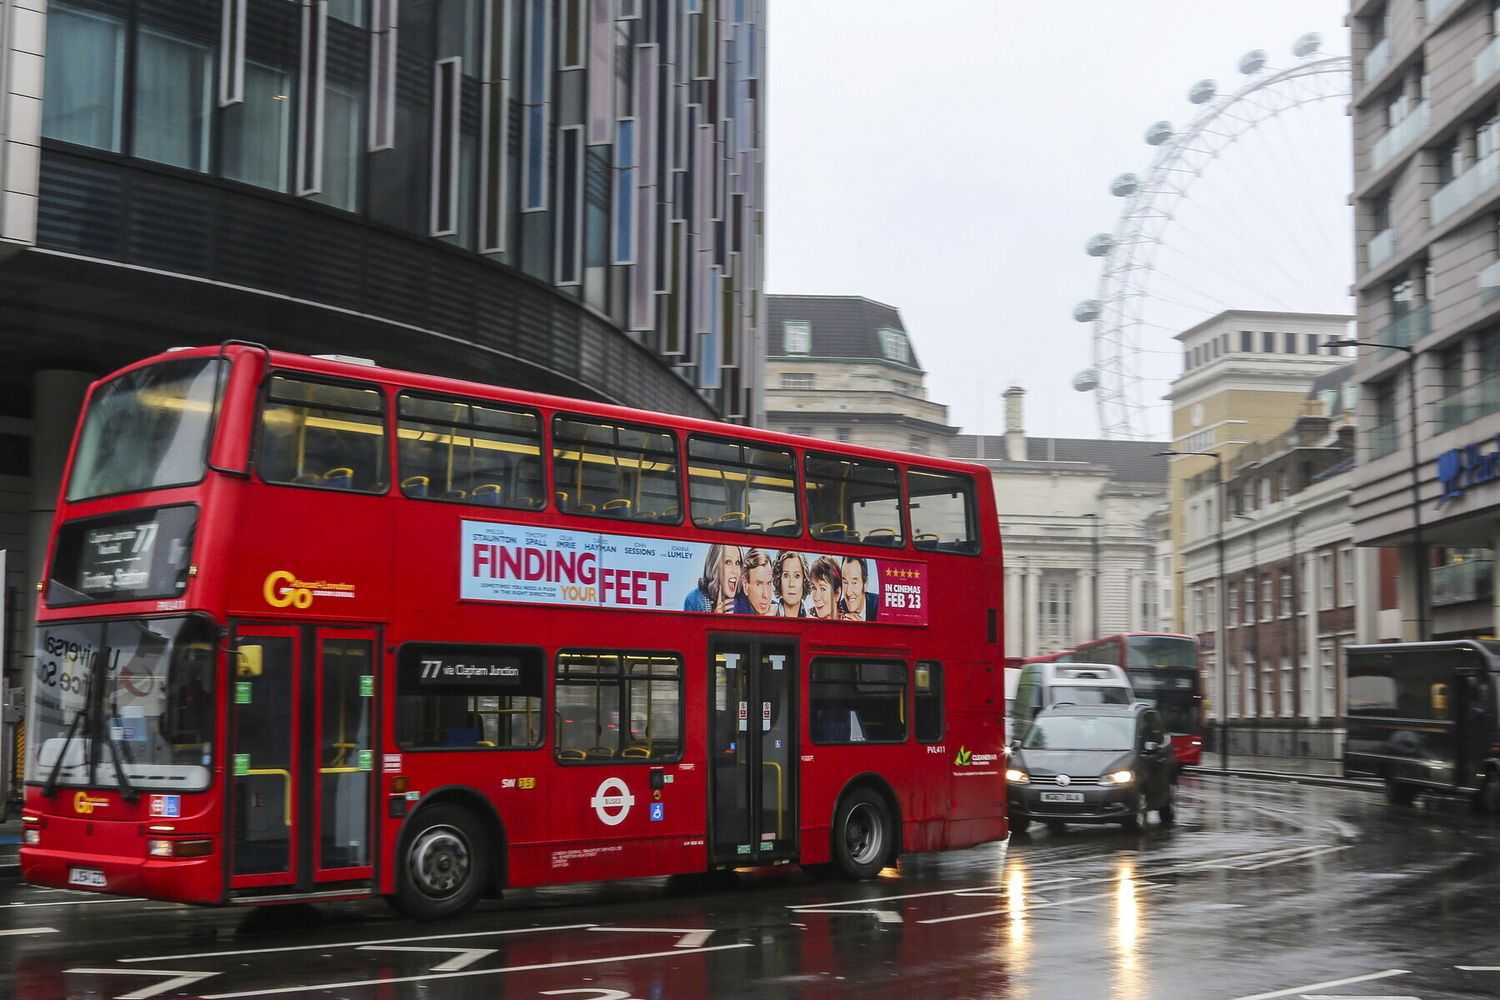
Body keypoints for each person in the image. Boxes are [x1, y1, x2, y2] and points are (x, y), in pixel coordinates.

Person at [683, 544, 743, 613]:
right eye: (728, 562)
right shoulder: (694, 599)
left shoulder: (745, 600)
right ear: (714, 566)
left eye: (738, 563)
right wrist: (715, 619)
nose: (735, 570)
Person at [839, 556, 880, 622]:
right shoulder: (838, 609)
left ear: (865, 584)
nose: (848, 593)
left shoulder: (879, 606)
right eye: (845, 583)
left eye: (854, 583)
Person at [773, 550, 809, 617]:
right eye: (786, 575)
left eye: (797, 576)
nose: (791, 584)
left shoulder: (813, 621)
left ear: (804, 580)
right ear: (779, 580)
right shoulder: (768, 616)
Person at [740, 549, 777, 615]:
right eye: (759, 584)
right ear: (745, 585)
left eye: (768, 583)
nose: (765, 595)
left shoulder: (779, 610)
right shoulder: (734, 611)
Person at [807, 555, 843, 620]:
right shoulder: (806, 618)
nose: (816, 598)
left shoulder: (850, 622)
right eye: (813, 588)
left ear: (837, 593)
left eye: (822, 589)